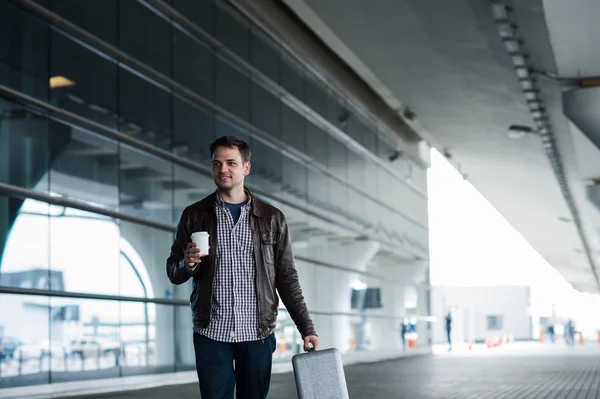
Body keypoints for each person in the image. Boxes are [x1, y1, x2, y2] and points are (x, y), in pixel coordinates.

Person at [166, 136, 319, 399]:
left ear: (246, 168)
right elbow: (173, 270)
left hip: (257, 334)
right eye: (217, 163)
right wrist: (187, 264)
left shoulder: (272, 219)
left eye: (230, 163)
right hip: (211, 334)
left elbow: (286, 279)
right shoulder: (194, 215)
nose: (222, 169)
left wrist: (307, 329)